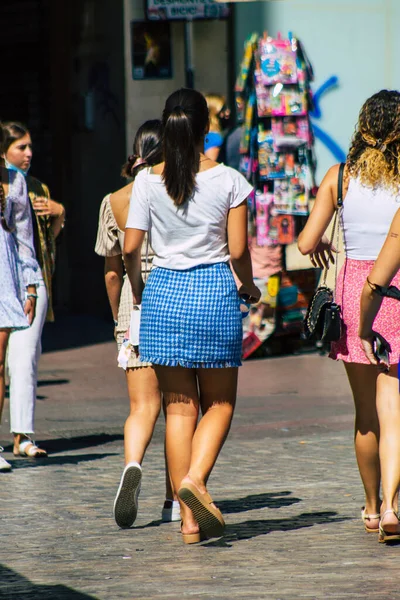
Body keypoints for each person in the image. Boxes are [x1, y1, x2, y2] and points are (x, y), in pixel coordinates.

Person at [124, 88, 260, 544]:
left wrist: (140, 288)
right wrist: (251, 285)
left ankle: (187, 522)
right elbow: (238, 250)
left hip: (163, 294)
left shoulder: (146, 182)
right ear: (206, 129)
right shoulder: (229, 180)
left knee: (179, 409)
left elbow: (130, 247)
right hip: (213, 295)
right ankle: (196, 480)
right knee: (219, 404)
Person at [297, 89, 400, 544]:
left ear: (362, 128)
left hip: (356, 288)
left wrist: (321, 243)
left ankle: (374, 507)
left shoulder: (339, 178)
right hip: (395, 288)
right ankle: (396, 505)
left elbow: (305, 244)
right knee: (393, 410)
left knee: (365, 415)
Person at [95, 120, 180, 528]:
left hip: (136, 300)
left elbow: (112, 271)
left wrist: (119, 318)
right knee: (179, 407)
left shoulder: (114, 200)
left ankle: (132, 463)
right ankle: (173, 501)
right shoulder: (179, 189)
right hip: (174, 290)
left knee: (142, 406)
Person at [2, 122, 65, 458]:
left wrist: (60, 214)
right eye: (20, 147)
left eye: (30, 147)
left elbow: (40, 243)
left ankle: (22, 435)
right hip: (3, 282)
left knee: (24, 357)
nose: (28, 154)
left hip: (29, 280)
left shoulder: (34, 186)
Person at [0, 138, 40, 471]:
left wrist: (30, 287)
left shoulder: (14, 180)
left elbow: (24, 235)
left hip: (4, 274)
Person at [204, 94, 230, 161]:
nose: (227, 112)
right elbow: (211, 164)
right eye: (223, 109)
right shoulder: (213, 138)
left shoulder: (207, 135)